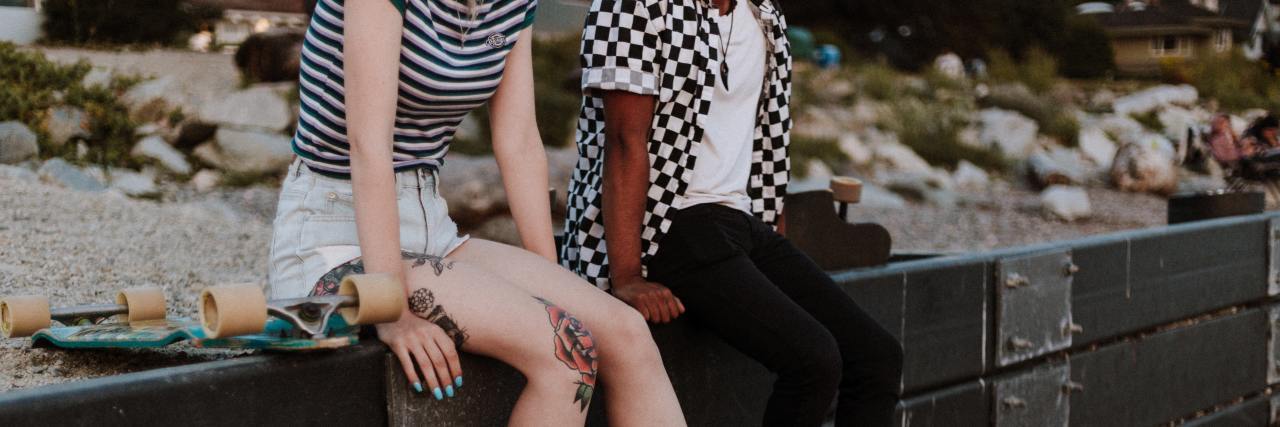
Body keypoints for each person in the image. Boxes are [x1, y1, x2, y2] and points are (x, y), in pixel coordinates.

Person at [268, 0, 685, 424]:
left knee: (627, 334)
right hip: (334, 231)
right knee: (567, 352)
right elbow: (369, 148)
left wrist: (549, 279)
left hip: (430, 222)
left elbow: (519, 140)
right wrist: (390, 310)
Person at [560, 0, 904, 426]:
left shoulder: (764, 15)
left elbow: (768, 141)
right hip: (666, 223)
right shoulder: (635, 6)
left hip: (739, 221)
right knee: (814, 360)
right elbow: (625, 141)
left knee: (876, 357)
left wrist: (776, 251)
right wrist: (627, 276)